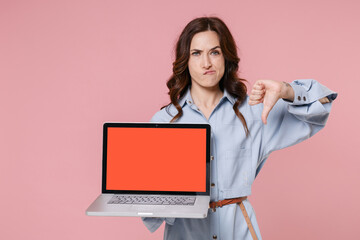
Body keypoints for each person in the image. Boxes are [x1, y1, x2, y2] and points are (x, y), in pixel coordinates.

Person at [142, 16, 337, 240]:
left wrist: (286, 90)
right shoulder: (164, 120)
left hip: (239, 232)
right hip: (185, 233)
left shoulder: (253, 111)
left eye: (214, 52)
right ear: (185, 60)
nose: (206, 63)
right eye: (196, 53)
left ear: (226, 56)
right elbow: (151, 201)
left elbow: (323, 105)